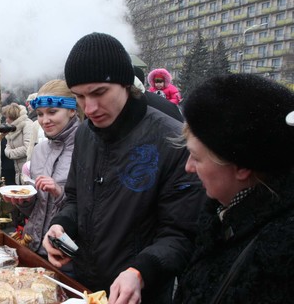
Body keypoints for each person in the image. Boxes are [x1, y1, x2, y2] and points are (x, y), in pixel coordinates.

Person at [42, 32, 205, 303]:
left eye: (99, 93)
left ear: (127, 85)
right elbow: (74, 198)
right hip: (83, 287)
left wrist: (140, 271)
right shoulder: (84, 133)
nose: (90, 108)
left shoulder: (173, 140)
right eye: (79, 97)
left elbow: (183, 233)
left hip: (141, 293)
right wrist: (60, 225)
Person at [172, 74, 294, 303]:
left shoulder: (279, 256)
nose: (188, 167)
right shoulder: (221, 214)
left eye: (196, 157)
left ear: (241, 167)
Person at [2, 80, 79, 266]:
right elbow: (37, 206)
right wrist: (24, 201)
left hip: (65, 253)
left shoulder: (85, 149)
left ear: (72, 110)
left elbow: (89, 207)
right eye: (40, 114)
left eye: (52, 112)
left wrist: (58, 192)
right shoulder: (40, 150)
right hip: (32, 245)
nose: (45, 120)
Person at [1, 103, 33, 185]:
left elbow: (28, 148)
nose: (6, 120)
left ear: (13, 116)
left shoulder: (27, 124)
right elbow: (8, 145)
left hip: (28, 170)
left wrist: (9, 153)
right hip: (18, 170)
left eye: (7, 117)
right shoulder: (12, 127)